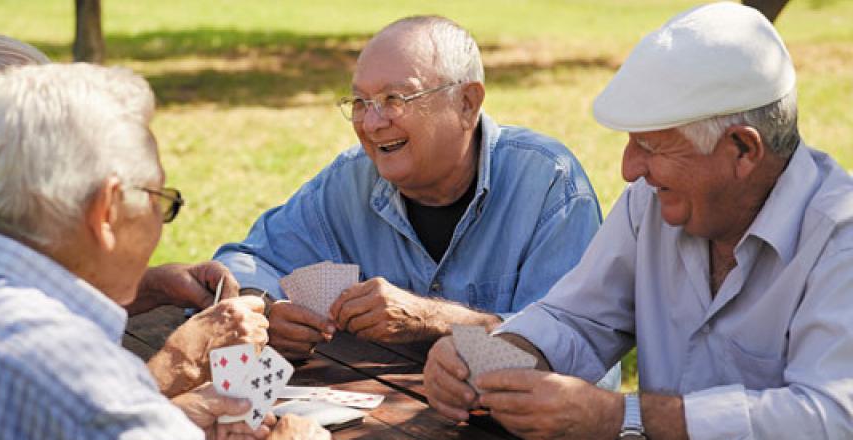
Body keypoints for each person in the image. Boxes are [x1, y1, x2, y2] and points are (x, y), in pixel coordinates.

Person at [424, 3, 852, 440]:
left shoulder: (841, 236)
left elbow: (831, 425)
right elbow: (577, 318)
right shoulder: (650, 204)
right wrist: (491, 356)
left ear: (742, 149)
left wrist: (621, 420)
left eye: (650, 146)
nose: (629, 169)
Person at [0, 63, 336, 440]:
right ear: (106, 211)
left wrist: (170, 424)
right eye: (159, 200)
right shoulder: (78, 372)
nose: (159, 224)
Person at [214, 16, 618, 390]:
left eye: (395, 98)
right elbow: (244, 261)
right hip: (384, 433)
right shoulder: (351, 180)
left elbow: (574, 358)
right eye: (360, 103)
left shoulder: (548, 182)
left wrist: (433, 320)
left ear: (467, 104)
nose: (372, 123)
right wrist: (267, 310)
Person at [0, 30, 239, 313]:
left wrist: (148, 286)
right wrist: (180, 363)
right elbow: (25, 358)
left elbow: (34, 302)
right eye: (43, 141)